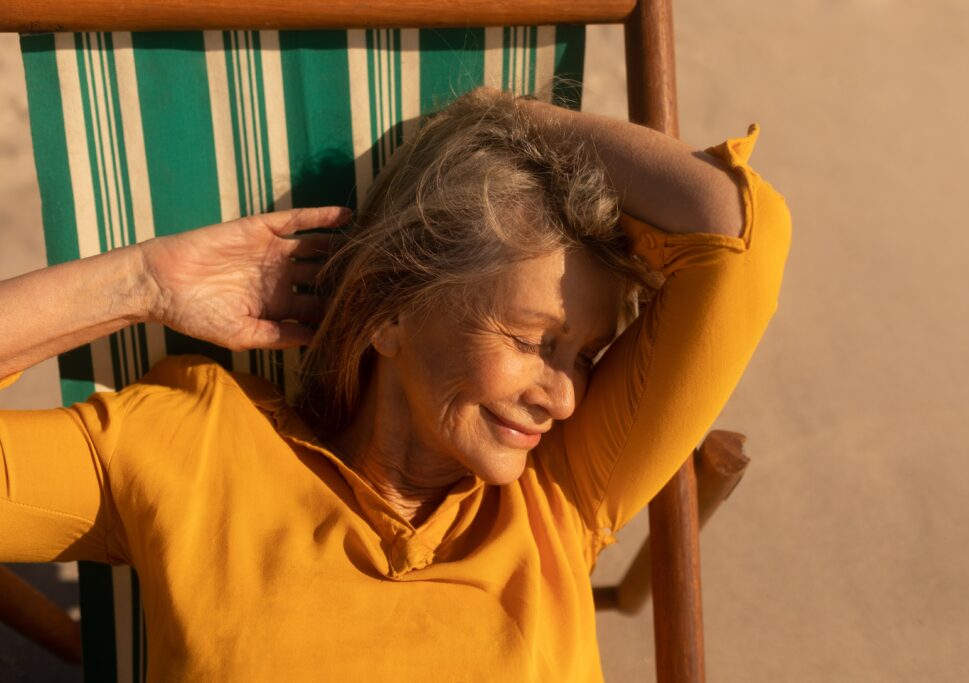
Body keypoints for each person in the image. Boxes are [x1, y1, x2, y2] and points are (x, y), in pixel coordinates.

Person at [0, 87, 791, 680]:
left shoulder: (559, 495)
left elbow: (735, 236)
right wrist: (144, 281)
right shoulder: (195, 448)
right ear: (390, 315)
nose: (566, 396)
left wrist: (497, 115)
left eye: (585, 356)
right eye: (529, 340)